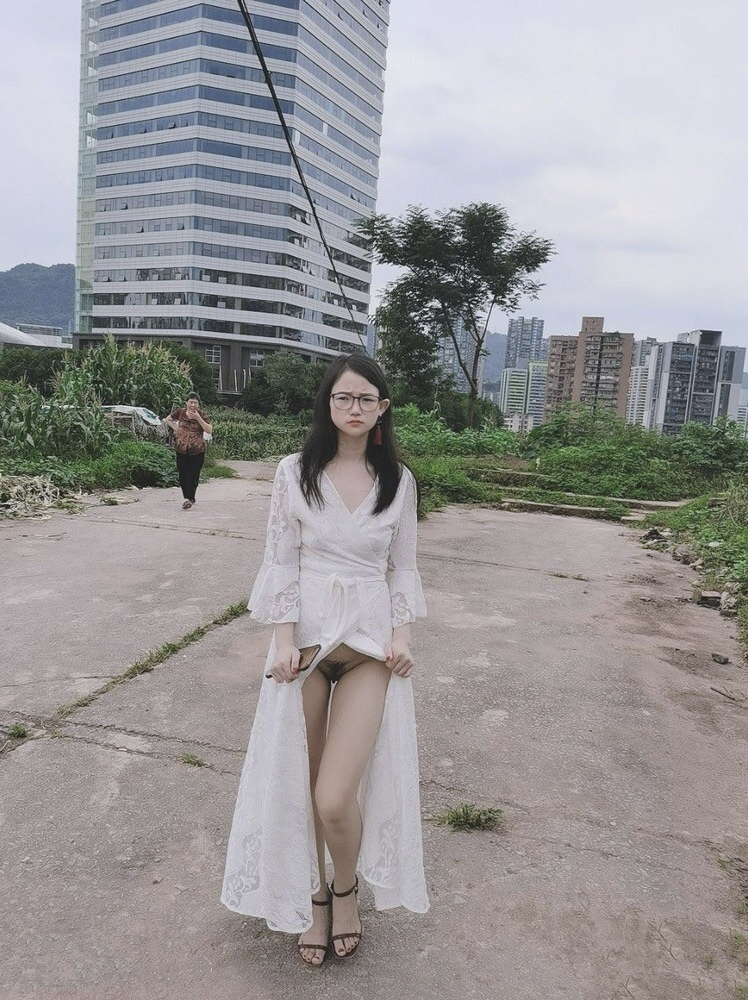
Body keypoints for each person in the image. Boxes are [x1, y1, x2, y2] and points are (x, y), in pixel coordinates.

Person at [221, 354, 429, 965]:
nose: (354, 408)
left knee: (335, 795)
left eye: (366, 399)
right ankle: (314, 896)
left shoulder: (398, 481)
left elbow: (403, 568)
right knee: (301, 783)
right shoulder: (294, 472)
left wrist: (403, 638)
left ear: (382, 408)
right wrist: (283, 640)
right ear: (328, 404)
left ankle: (345, 889)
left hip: (367, 650)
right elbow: (282, 560)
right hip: (306, 648)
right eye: (344, 398)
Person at [164, 392, 212, 510]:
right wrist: (176, 429)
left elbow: (209, 430)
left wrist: (198, 418)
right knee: (183, 474)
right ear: (186, 403)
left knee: (193, 475)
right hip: (181, 448)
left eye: (195, 403)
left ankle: (189, 498)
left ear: (198, 405)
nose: (193, 405)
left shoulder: (202, 415)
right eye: (191, 402)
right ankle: (187, 497)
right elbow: (168, 419)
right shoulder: (180, 412)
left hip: (197, 450)